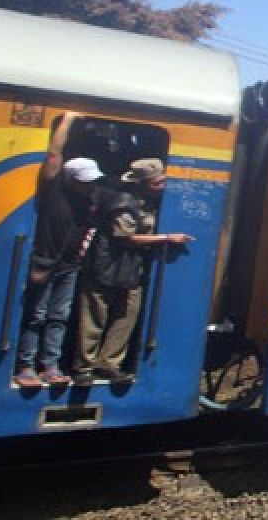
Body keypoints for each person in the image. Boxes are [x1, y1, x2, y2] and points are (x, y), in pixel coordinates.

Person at [72, 158, 192, 386]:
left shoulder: (148, 202)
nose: (162, 186)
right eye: (158, 183)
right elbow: (126, 237)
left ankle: (109, 363)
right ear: (142, 184)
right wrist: (167, 238)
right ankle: (83, 367)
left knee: (127, 315)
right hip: (106, 265)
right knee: (94, 316)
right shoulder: (124, 203)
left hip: (129, 268)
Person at [14, 113, 98, 389]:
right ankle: (26, 365)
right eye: (86, 181)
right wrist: (68, 120)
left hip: (69, 265)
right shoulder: (54, 189)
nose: (91, 185)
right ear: (71, 178)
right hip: (45, 261)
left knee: (58, 317)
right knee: (36, 315)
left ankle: (50, 365)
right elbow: (54, 153)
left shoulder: (86, 201)